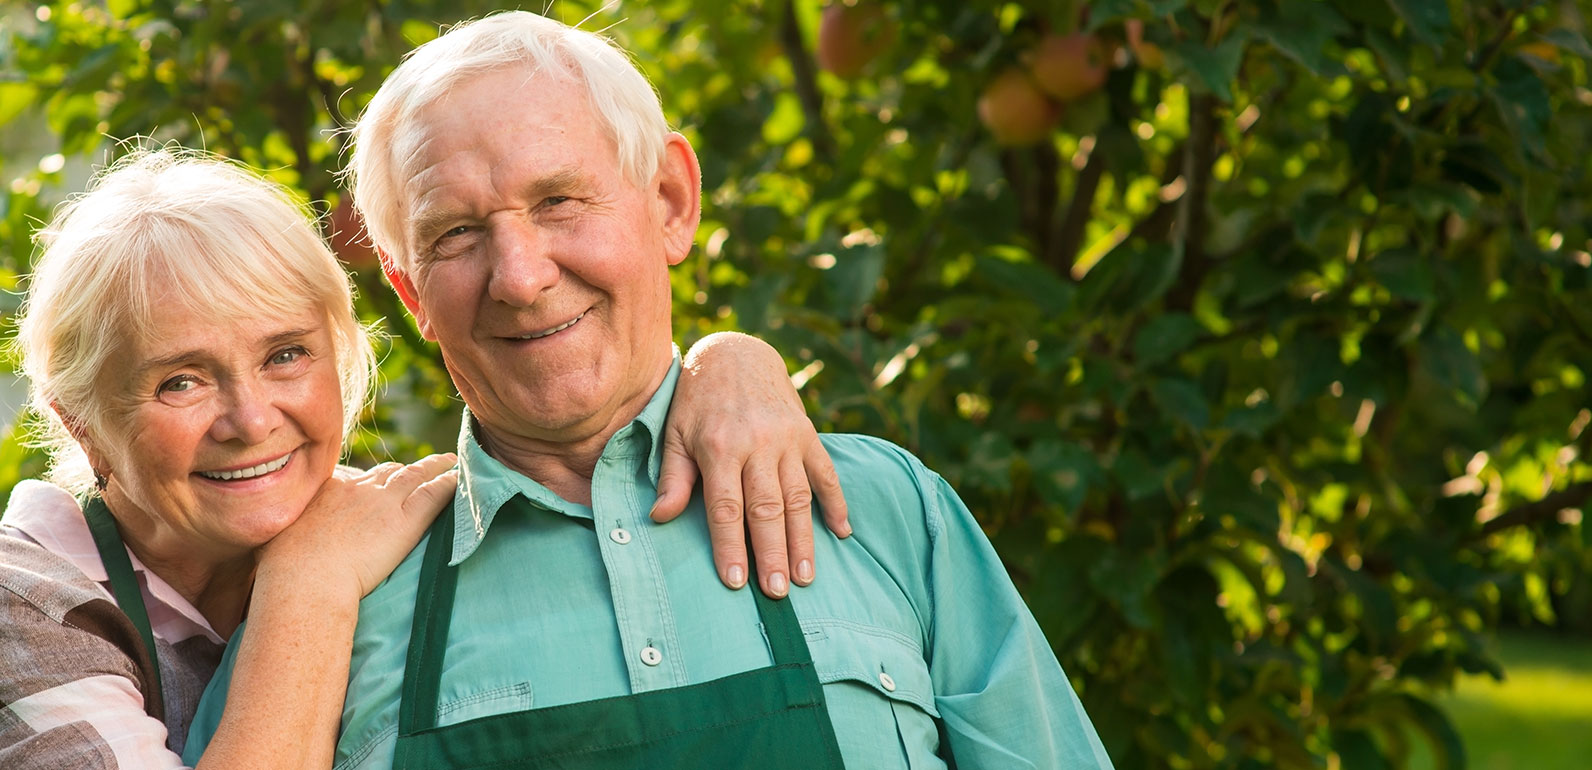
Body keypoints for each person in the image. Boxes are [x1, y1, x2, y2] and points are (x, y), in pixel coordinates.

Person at [187, 11, 1114, 769]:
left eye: (558, 201)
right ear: (407, 290)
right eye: (457, 234)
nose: (520, 275)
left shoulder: (881, 510)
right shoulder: (332, 600)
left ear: (671, 202)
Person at [0, 147, 854, 769]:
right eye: (179, 380)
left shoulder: (349, 526)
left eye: (287, 355)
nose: (251, 419)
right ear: (77, 417)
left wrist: (732, 365)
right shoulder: (0, 608)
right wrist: (305, 591)